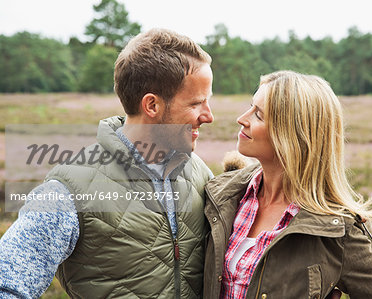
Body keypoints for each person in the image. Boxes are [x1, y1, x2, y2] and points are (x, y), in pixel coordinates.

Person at [0, 28, 214, 298]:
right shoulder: (67, 191)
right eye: (197, 103)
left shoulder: (201, 175)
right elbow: (6, 283)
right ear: (152, 105)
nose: (209, 116)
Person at [203, 71, 372, 298]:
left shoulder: (336, 232)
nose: (242, 118)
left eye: (258, 115)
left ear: (292, 134)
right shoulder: (223, 194)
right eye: (250, 107)